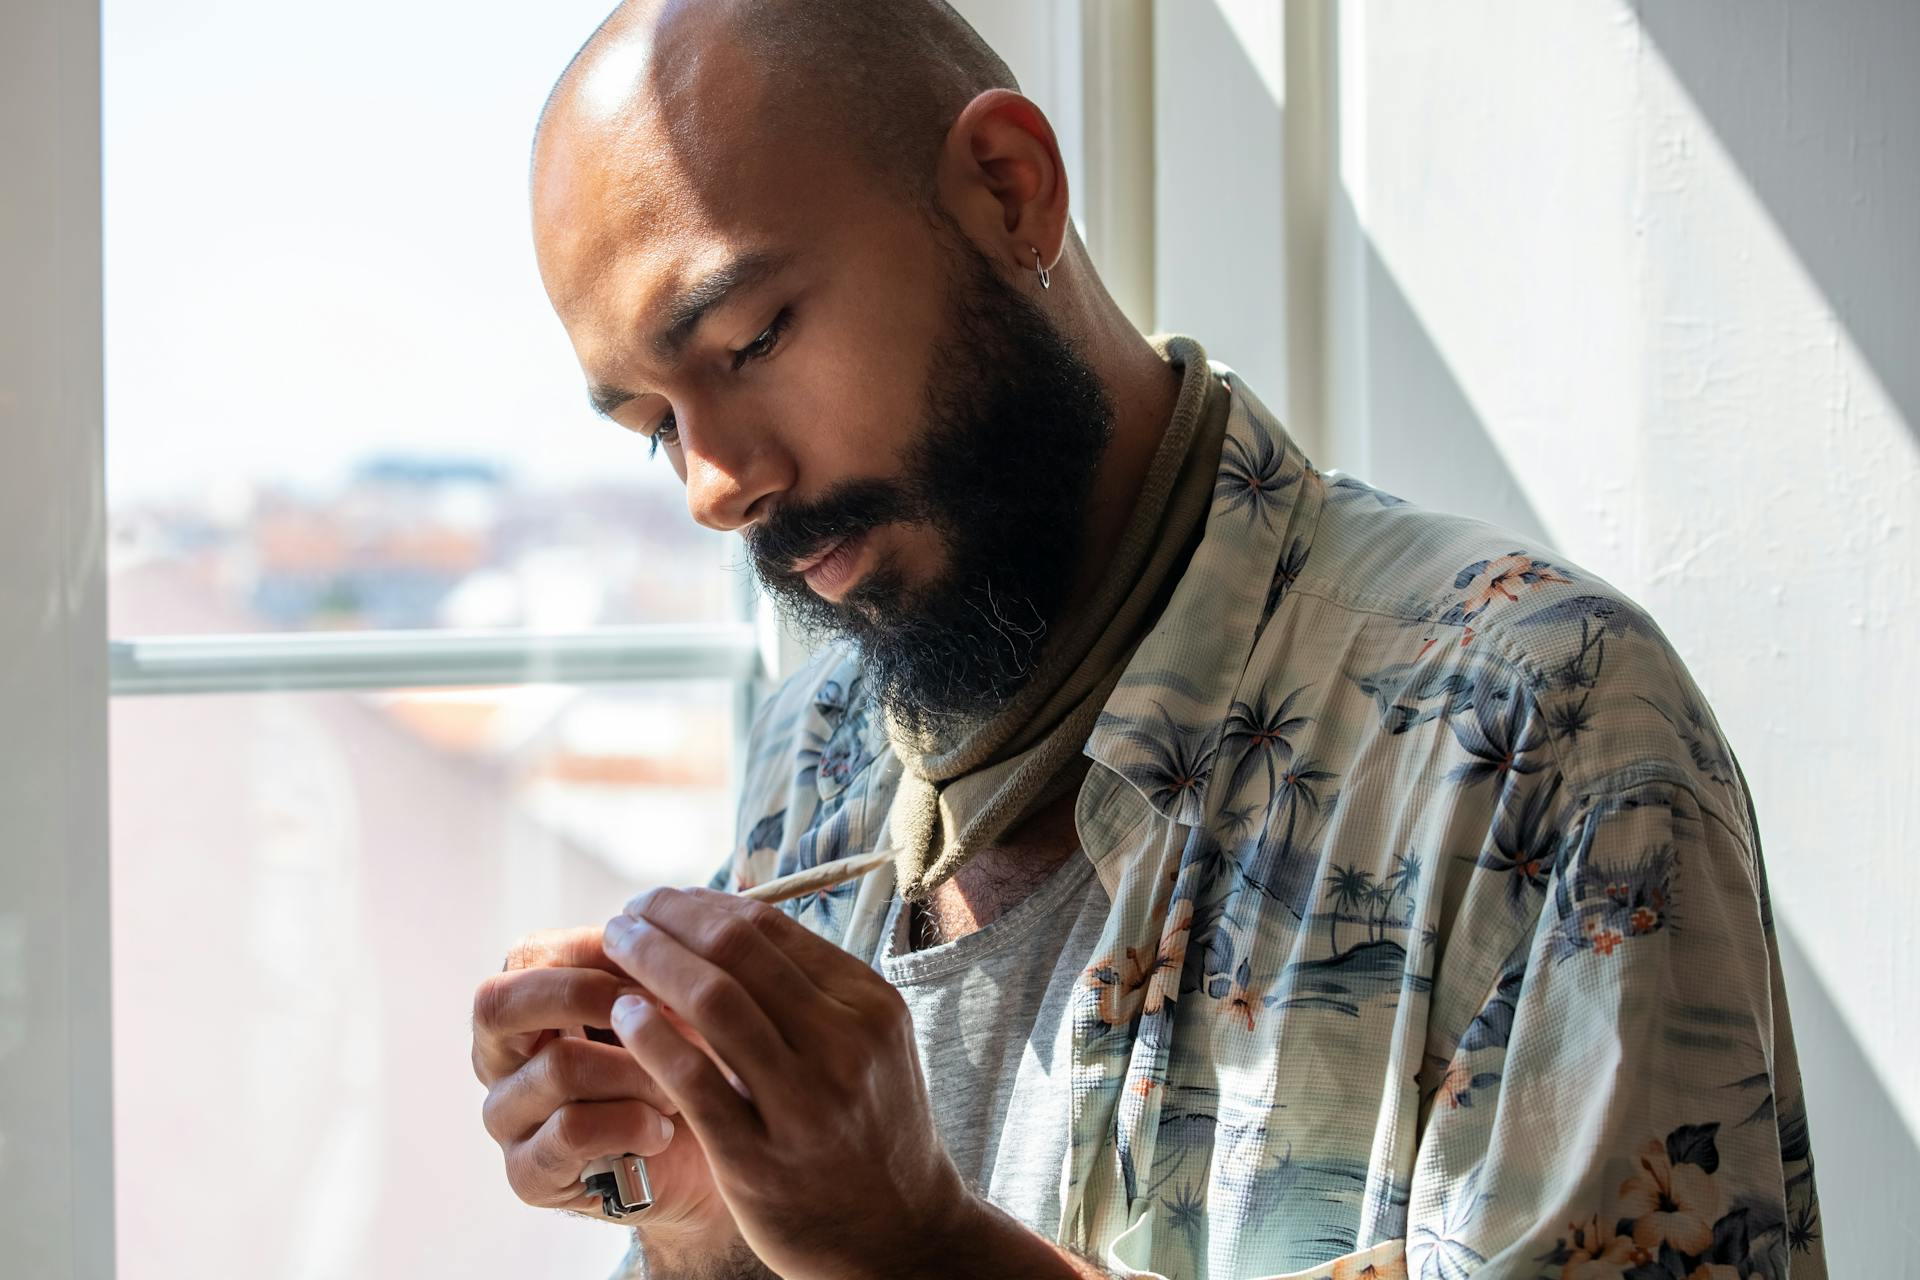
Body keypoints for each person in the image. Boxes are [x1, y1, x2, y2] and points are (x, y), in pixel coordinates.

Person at [472, 1, 1827, 1276]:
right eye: (655, 429)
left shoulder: (1539, 731)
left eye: (752, 337)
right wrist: (715, 1230)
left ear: (1010, 190)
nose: (716, 486)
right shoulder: (813, 746)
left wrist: (922, 1254)